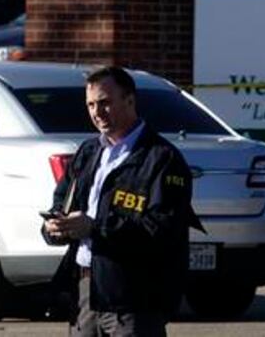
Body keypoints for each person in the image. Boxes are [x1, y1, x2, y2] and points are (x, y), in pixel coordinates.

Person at [43, 66, 200, 337]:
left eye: (105, 103)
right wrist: (55, 228)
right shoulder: (88, 152)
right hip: (85, 289)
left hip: (135, 297)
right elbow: (63, 202)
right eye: (91, 104)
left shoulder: (162, 158)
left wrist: (94, 227)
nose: (96, 112)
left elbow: (163, 229)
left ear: (129, 100)